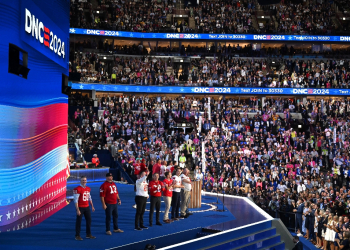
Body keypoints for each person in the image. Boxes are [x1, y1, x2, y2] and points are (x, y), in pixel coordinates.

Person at [73, 176, 96, 241]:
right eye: (83, 180)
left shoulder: (88, 188)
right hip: (80, 207)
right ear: (80, 181)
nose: (84, 181)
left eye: (85, 180)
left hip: (87, 206)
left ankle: (88, 234)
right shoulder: (77, 189)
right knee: (79, 221)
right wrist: (77, 209)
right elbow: (76, 200)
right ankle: (77, 235)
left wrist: (92, 206)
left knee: (89, 220)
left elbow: (89, 198)